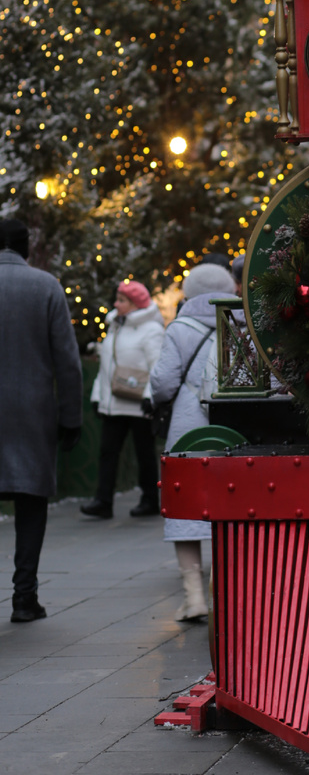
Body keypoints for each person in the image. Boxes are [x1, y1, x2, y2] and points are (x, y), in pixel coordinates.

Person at [0, 218, 83, 623]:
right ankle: (23, 597)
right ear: (26, 249)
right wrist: (71, 417)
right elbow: (67, 361)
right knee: (31, 504)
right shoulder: (45, 286)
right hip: (32, 412)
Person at [149, 262, 236, 621]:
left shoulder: (180, 327)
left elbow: (163, 382)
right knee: (230, 505)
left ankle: (194, 596)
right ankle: (224, 592)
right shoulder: (243, 323)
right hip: (236, 424)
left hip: (188, 425)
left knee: (186, 504)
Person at [80, 280, 165, 520]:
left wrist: (150, 396)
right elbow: (107, 366)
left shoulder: (151, 330)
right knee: (108, 451)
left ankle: (150, 498)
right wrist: (98, 396)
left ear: (136, 304)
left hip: (138, 403)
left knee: (144, 453)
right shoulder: (116, 326)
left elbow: (157, 366)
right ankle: (103, 500)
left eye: (122, 300)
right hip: (114, 403)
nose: (116, 304)